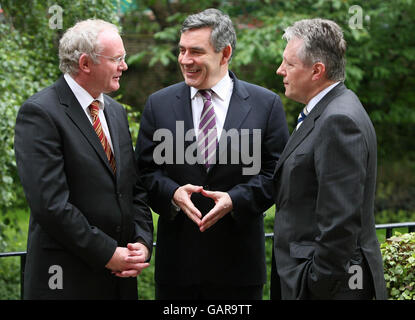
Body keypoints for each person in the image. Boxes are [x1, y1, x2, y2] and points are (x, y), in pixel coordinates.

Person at [135, 8, 289, 300]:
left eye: (195, 51)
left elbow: (277, 174)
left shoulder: (265, 104)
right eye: (181, 51)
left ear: (225, 52)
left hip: (240, 271)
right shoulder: (159, 104)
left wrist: (235, 200)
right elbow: (144, 172)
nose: (184, 60)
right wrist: (172, 193)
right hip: (177, 271)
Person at [14, 19, 153, 299]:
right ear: (86, 64)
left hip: (120, 282)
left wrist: (142, 240)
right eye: (117, 59)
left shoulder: (115, 112)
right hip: (66, 281)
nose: (124, 66)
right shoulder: (40, 113)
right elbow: (50, 205)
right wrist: (106, 253)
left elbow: (131, 188)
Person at [271, 18, 387, 300]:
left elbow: (340, 222)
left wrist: (316, 283)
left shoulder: (338, 119)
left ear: (317, 71)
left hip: (332, 289)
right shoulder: (330, 109)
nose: (280, 70)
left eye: (289, 63)